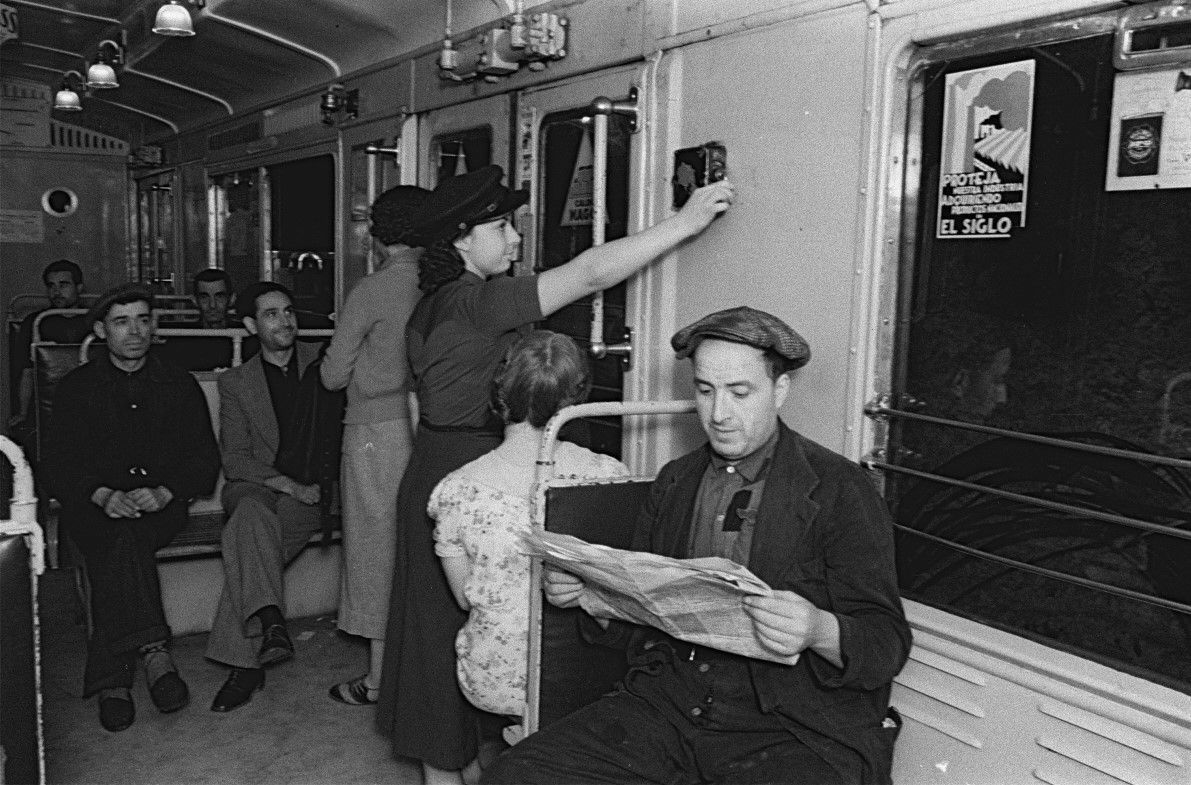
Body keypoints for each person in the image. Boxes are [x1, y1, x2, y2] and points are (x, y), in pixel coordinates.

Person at [375, 164, 734, 784]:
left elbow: (416, 406)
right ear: (462, 240)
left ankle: (448, 767)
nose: (515, 240)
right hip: (476, 464)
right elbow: (591, 272)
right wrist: (685, 222)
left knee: (436, 638)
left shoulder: (426, 308)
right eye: (502, 227)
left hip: (430, 472)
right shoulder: (481, 301)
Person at [483, 306, 912, 785]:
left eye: (739, 392)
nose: (718, 414)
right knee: (516, 775)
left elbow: (886, 644)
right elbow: (643, 615)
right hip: (672, 701)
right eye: (705, 391)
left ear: (780, 390)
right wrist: (593, 600)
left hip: (788, 725)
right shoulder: (676, 481)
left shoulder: (838, 489)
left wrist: (818, 629)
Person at [41, 283, 220, 732]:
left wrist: (166, 491)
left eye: (143, 319)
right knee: (120, 535)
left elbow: (204, 458)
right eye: (122, 322)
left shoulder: (178, 384)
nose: (135, 331)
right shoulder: (75, 389)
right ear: (101, 330)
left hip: (161, 504)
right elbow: (58, 463)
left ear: (154, 326)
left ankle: (111, 678)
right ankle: (154, 653)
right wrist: (101, 494)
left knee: (126, 537)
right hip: (95, 505)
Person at [432, 331, 628, 736]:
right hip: (587, 669)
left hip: (496, 677)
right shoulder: (610, 476)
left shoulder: (457, 491)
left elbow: (464, 597)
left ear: (501, 395)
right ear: (575, 399)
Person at [319, 184, 430, 705]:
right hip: (426, 427)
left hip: (373, 435)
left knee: (374, 552)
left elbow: (333, 377)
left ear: (378, 236)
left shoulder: (372, 289)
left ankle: (379, 681)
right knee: (419, 547)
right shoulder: (439, 283)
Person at [204, 282, 324, 712]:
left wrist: (305, 487)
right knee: (250, 511)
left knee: (249, 533)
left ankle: (248, 660)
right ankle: (271, 623)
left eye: (289, 311)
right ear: (252, 326)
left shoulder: (322, 365)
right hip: (257, 485)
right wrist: (287, 484)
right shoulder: (237, 382)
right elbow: (235, 460)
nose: (285, 321)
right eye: (272, 314)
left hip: (309, 492)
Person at [10, 259, 91, 433]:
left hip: (90, 397)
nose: (56, 291)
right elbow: (28, 371)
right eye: (51, 286)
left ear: (79, 288)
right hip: (50, 402)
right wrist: (23, 413)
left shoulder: (94, 321)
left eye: (64, 285)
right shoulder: (35, 322)